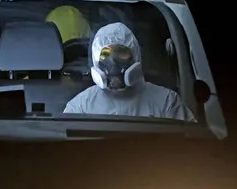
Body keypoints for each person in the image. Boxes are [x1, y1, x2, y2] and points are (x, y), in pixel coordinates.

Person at [63, 22, 196, 122]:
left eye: (121, 54)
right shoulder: (81, 107)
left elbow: (189, 146)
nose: (113, 63)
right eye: (105, 55)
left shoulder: (167, 102)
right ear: (96, 60)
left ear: (135, 57)